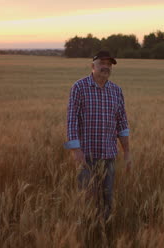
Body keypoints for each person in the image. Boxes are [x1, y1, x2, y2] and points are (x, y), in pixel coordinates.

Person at [64, 50, 131, 222]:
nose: (106, 67)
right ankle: (86, 233)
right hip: (86, 157)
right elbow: (71, 120)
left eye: (109, 64)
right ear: (92, 66)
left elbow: (122, 124)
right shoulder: (79, 87)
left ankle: (103, 232)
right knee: (87, 198)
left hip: (109, 156)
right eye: (102, 63)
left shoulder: (116, 91)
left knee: (107, 200)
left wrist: (127, 153)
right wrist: (76, 151)